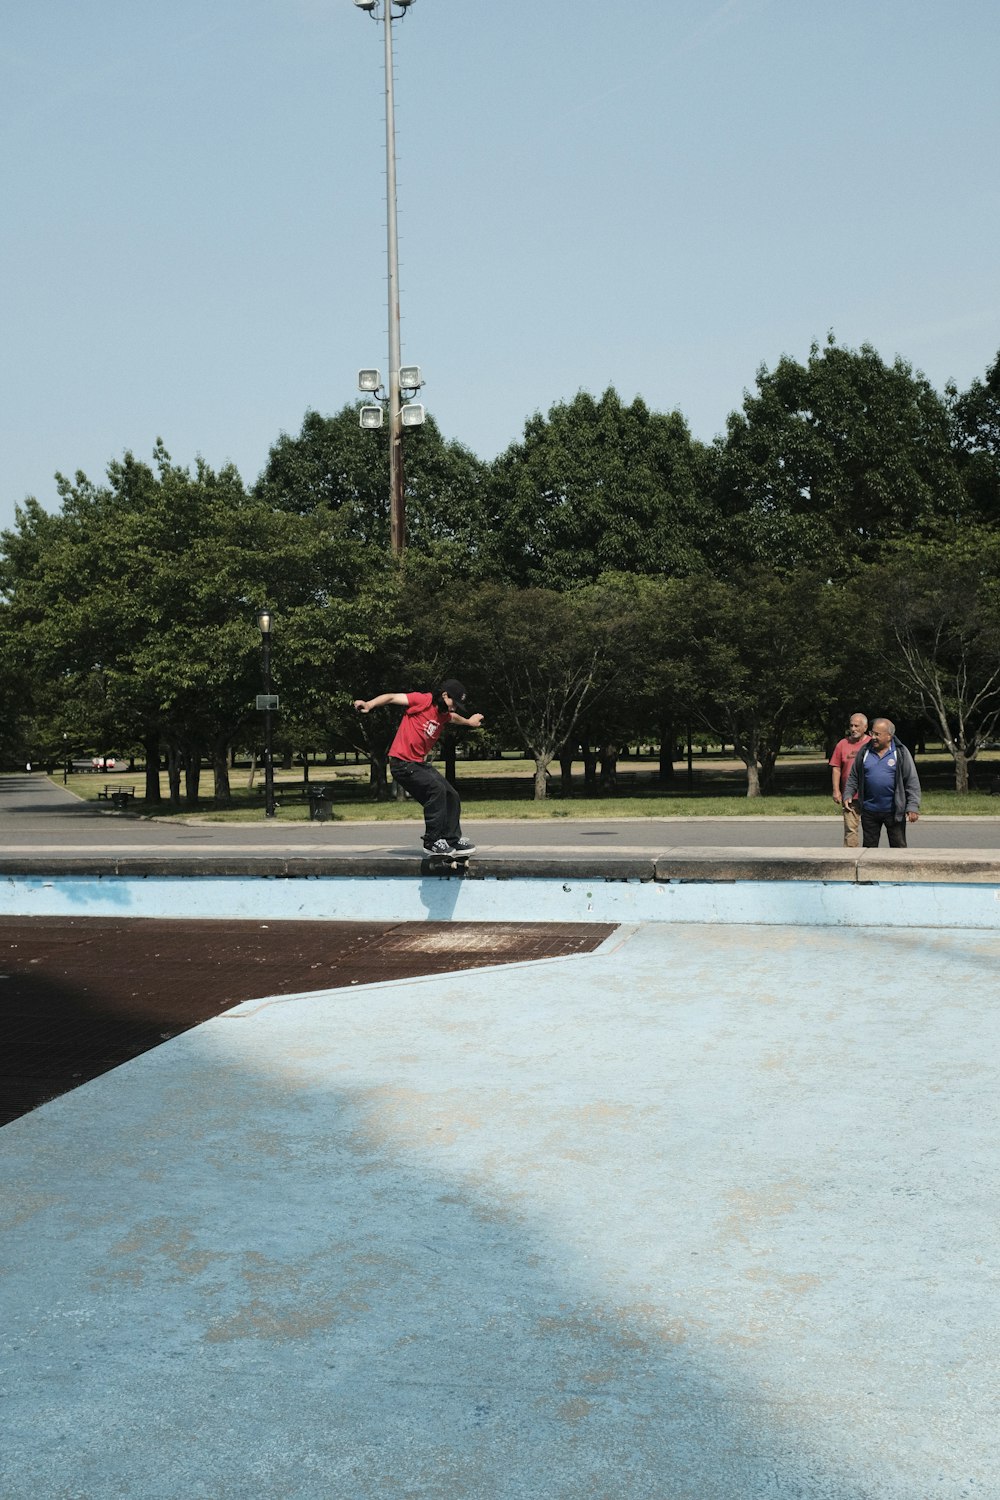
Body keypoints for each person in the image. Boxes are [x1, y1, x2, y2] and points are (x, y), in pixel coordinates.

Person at [353, 678, 484, 856]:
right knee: (436, 789)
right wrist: (369, 704)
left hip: (418, 764)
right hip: (401, 763)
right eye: (454, 702)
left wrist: (469, 722)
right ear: (444, 695)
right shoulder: (423, 700)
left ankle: (451, 839)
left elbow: (453, 718)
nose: (454, 707)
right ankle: (432, 841)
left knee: (451, 794)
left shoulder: (444, 714)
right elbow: (391, 697)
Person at [844, 717, 921, 848]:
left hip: (894, 811)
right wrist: (848, 794)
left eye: (877, 734)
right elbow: (854, 776)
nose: (873, 737)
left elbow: (911, 781)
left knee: (898, 848)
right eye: (872, 733)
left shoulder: (900, 752)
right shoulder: (864, 751)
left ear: (889, 736)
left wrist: (912, 806)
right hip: (869, 810)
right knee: (869, 849)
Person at [829, 713, 871, 847]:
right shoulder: (842, 744)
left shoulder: (872, 743)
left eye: (857, 726)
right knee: (850, 831)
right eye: (851, 725)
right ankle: (850, 860)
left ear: (865, 727)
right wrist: (836, 790)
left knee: (870, 831)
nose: (853, 729)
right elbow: (836, 768)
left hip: (870, 796)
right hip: (849, 797)